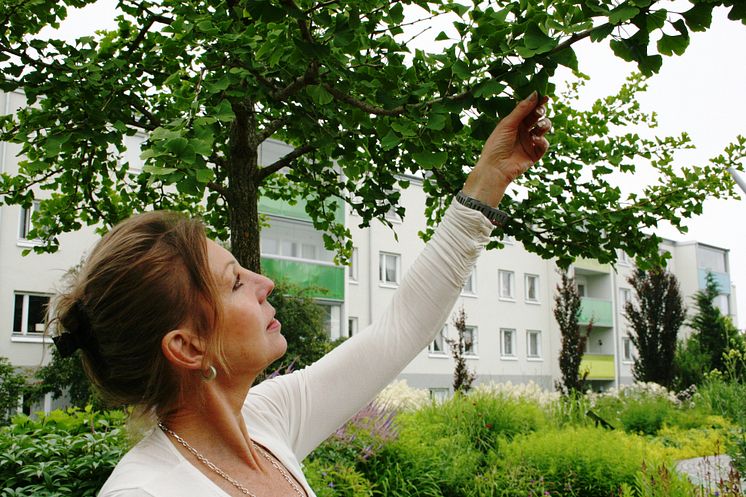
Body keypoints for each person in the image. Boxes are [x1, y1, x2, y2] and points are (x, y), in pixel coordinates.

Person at [50, 91, 551, 497]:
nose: (266, 283)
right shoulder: (146, 491)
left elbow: (401, 328)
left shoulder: (267, 420)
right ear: (186, 346)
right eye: (235, 282)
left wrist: (491, 175)